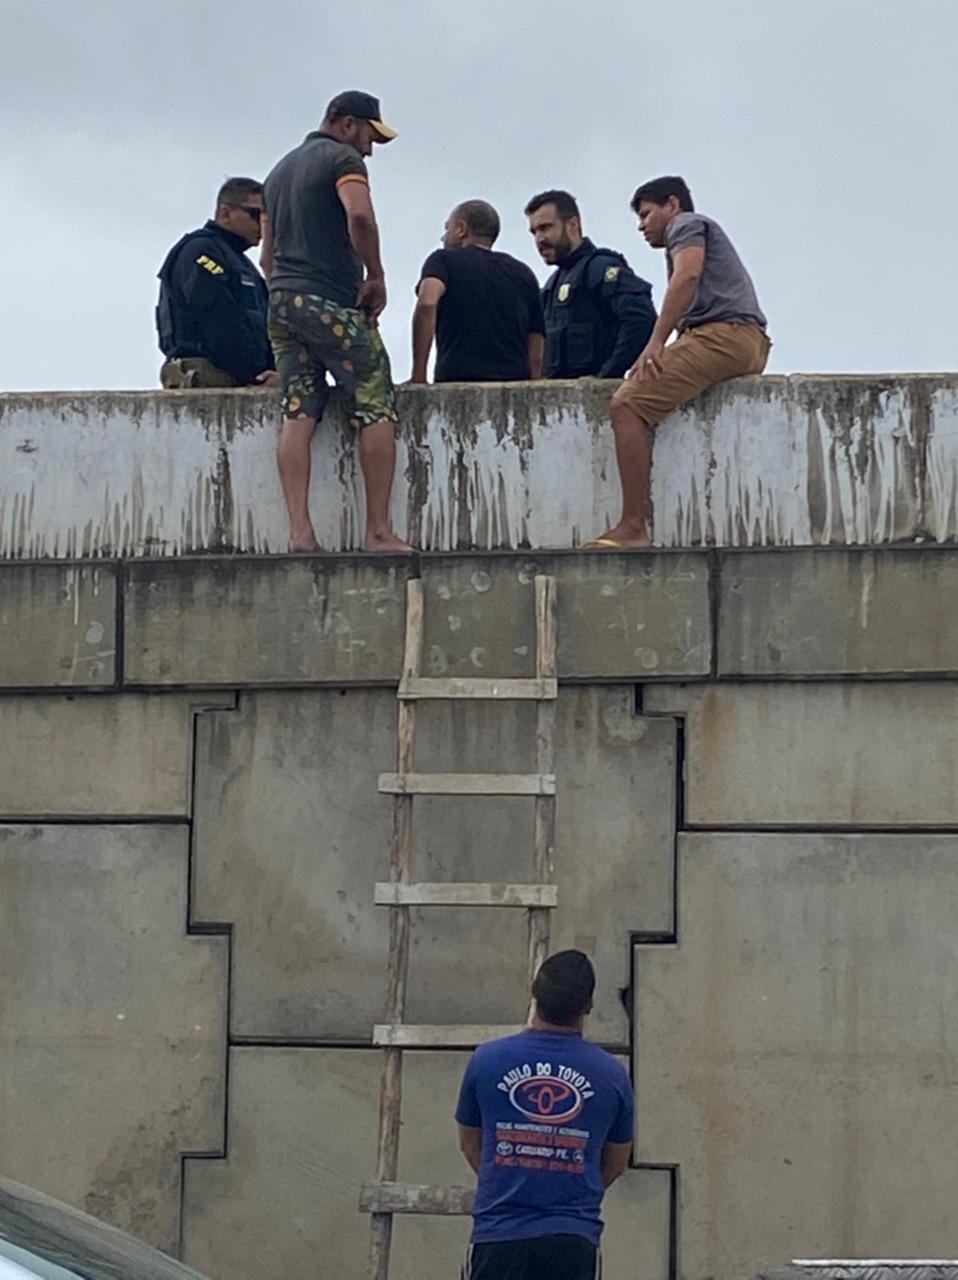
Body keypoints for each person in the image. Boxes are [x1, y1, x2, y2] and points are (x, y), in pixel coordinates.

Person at [586, 175, 770, 549]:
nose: (641, 225)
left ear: (672, 204)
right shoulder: (692, 230)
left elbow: (688, 275)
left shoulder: (685, 224)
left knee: (627, 404)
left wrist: (656, 343)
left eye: (646, 214)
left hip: (723, 335)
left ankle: (633, 527)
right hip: (745, 339)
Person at [262, 91, 409, 552]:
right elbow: (360, 214)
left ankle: (301, 533)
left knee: (299, 409)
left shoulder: (278, 172)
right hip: (324, 300)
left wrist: (287, 293)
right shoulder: (342, 159)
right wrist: (377, 274)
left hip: (283, 302)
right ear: (346, 123)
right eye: (369, 135)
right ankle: (379, 531)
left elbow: (267, 258)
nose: (369, 149)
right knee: (374, 392)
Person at [455, 950, 633, 1280]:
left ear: (534, 994)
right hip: (572, 1239)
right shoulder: (612, 1075)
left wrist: (508, 1183)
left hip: (498, 1235)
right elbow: (616, 1163)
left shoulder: (486, 1060)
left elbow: (469, 1144)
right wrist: (574, 1188)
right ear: (588, 1007)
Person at [156, 178, 276, 389]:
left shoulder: (242, 264)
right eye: (256, 215)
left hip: (241, 378)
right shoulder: (201, 251)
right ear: (225, 213)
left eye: (268, 218)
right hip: (208, 374)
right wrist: (252, 375)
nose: (262, 226)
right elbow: (218, 321)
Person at [525, 190, 656, 381]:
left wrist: (607, 375)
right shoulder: (550, 286)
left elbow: (640, 318)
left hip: (595, 400)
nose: (539, 239)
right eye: (534, 232)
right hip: (559, 401)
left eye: (545, 228)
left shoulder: (600, 268)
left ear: (572, 224)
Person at [410, 200, 545, 383]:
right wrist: (533, 384)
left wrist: (418, 375)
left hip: (456, 381)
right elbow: (536, 336)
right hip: (513, 384)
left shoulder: (442, 260)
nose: (443, 238)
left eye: (447, 228)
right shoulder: (523, 273)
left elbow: (427, 302)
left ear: (461, 229)